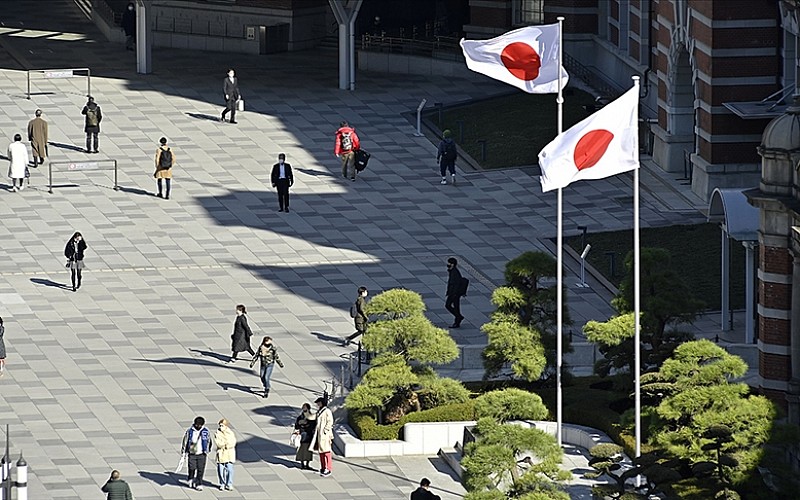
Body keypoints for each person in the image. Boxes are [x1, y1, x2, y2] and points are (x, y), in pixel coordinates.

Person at [181, 416, 211, 491]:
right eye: (197, 425)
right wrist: (184, 452)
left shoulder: (205, 431)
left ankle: (199, 483)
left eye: (200, 425)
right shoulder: (190, 431)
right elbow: (185, 441)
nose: (198, 426)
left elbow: (209, 441)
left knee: (201, 469)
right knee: (192, 467)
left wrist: (207, 450)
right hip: (192, 453)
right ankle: (190, 478)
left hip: (202, 453)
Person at [309, 397, 333, 477]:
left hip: (325, 435)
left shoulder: (327, 411)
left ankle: (328, 468)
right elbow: (312, 417)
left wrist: (325, 431)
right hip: (319, 434)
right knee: (321, 452)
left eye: (318, 403)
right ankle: (323, 467)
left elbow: (330, 422)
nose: (317, 404)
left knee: (326, 452)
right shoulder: (320, 411)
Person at [213, 418, 236, 491]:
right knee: (220, 470)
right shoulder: (217, 433)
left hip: (229, 454)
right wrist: (224, 445)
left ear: (226, 426)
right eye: (220, 425)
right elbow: (218, 443)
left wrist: (227, 445)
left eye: (222, 425)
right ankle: (222, 483)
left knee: (230, 470)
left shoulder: (230, 433)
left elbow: (232, 442)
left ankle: (229, 483)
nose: (220, 427)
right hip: (221, 454)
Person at [293, 403, 316, 469]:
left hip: (309, 436)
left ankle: (307, 464)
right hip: (302, 436)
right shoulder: (300, 417)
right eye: (303, 408)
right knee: (302, 450)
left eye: (305, 409)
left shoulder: (312, 417)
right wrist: (300, 423)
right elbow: (296, 426)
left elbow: (313, 426)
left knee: (309, 451)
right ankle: (302, 464)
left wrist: (306, 424)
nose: (304, 410)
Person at [445, 257, 465, 328]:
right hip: (453, 293)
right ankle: (457, 320)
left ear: (452, 264)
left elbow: (455, 284)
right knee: (455, 307)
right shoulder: (452, 271)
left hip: (454, 294)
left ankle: (458, 317)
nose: (448, 264)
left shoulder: (454, 273)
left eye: (449, 263)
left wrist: (453, 293)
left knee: (448, 305)